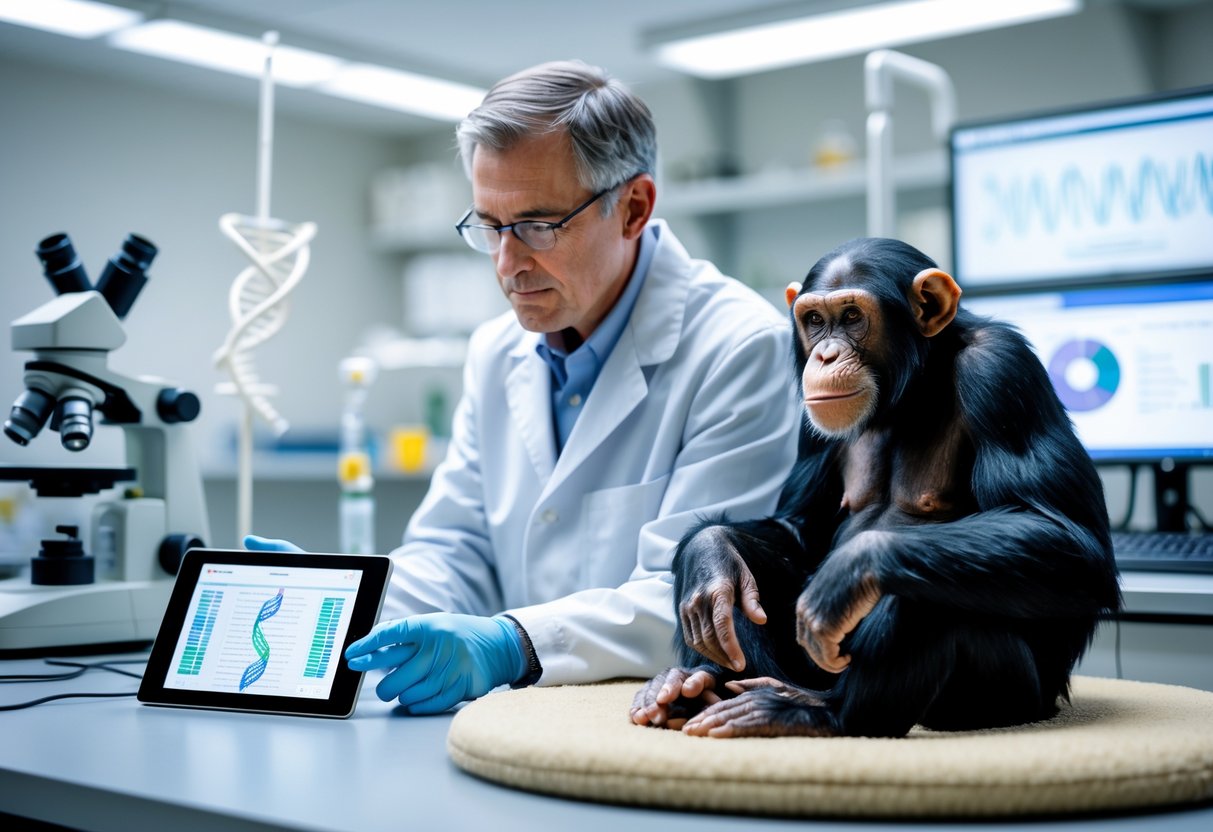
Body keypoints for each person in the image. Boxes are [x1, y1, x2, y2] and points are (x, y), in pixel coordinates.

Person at [248, 59, 798, 714]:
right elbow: (455, 549)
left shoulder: (739, 347)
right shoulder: (494, 351)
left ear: (633, 208)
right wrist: (351, 604)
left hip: (660, 722)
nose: (508, 264)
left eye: (538, 226)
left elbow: (698, 600)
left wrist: (512, 643)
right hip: (524, 721)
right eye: (489, 226)